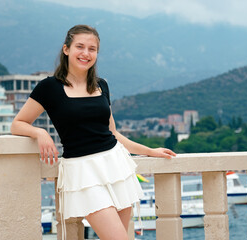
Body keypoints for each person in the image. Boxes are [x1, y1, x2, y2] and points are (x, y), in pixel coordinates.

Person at [11, 24, 176, 240]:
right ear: (66, 49)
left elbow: (113, 134)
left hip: (116, 166)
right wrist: (40, 133)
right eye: (80, 46)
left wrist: (150, 151)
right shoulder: (49, 87)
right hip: (82, 171)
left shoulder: (102, 85)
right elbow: (18, 124)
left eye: (92, 49)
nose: (86, 53)